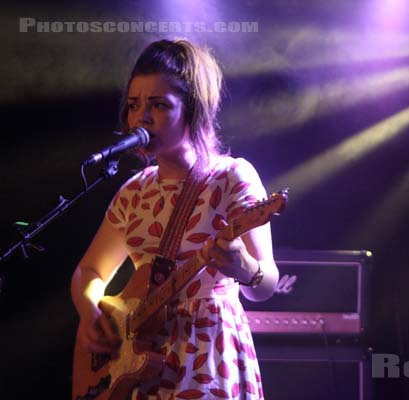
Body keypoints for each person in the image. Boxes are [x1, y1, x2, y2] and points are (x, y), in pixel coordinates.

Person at [70, 39, 278, 399]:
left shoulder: (231, 177)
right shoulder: (135, 191)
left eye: (159, 105)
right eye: (134, 105)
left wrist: (244, 267)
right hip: (135, 368)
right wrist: (90, 312)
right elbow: (89, 272)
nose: (141, 118)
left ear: (194, 110)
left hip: (207, 356)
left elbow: (267, 283)